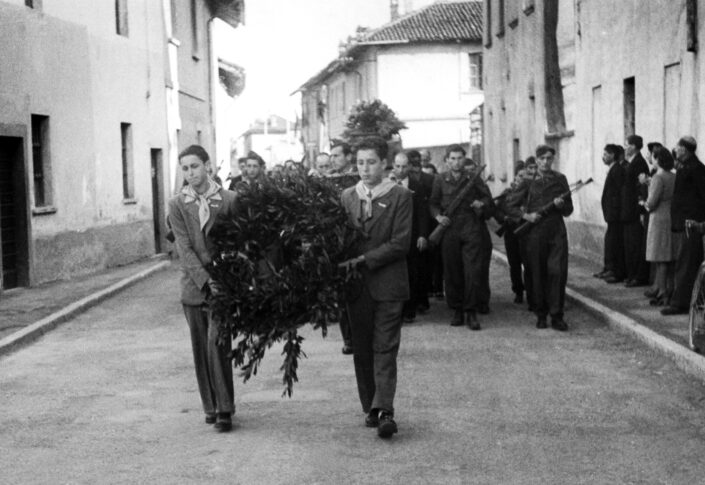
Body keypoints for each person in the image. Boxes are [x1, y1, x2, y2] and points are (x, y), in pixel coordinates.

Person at [339, 136, 412, 439]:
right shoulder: (347, 197)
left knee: (385, 347)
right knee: (362, 349)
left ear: (384, 163)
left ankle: (385, 409)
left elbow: (401, 242)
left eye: (371, 162)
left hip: (389, 284)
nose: (365, 169)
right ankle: (370, 405)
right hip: (357, 287)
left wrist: (363, 259)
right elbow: (340, 239)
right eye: (360, 163)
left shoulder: (401, 196)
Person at [168, 145, 237, 432]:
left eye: (194, 166)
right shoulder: (177, 205)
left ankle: (225, 408)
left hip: (223, 284)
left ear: (207, 166)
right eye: (184, 168)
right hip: (194, 286)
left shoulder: (230, 199)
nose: (190, 173)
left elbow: (237, 241)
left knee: (217, 344)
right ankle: (210, 406)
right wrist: (206, 280)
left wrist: (225, 276)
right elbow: (183, 248)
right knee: (200, 348)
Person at [507, 145, 573, 330]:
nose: (545, 162)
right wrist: (526, 216)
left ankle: (557, 315)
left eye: (549, 158)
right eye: (542, 158)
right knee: (537, 273)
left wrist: (561, 205)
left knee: (558, 273)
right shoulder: (528, 181)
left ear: (553, 160)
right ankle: (541, 314)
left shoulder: (560, 179)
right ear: (536, 160)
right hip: (534, 234)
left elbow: (569, 210)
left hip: (556, 232)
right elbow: (510, 205)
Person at [429, 144, 494, 330]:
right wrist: (438, 216)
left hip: (471, 227)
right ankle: (457, 309)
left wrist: (480, 203)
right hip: (449, 229)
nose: (457, 162)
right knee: (452, 271)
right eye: (453, 158)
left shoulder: (473, 178)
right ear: (447, 160)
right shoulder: (440, 180)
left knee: (472, 271)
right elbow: (433, 203)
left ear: (464, 159)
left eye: (460, 158)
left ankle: (471, 312)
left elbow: (488, 200)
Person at [661, 136, 705, 315]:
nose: (675, 150)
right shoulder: (685, 167)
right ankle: (684, 300)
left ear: (685, 150)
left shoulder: (696, 169)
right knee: (684, 263)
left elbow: (703, 197)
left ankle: (680, 303)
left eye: (677, 148)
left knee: (687, 264)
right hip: (683, 224)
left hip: (691, 224)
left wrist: (699, 222)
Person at [392, 151, 430, 323]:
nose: (401, 170)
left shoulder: (417, 185)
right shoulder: (388, 185)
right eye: (397, 166)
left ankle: (410, 310)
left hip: (412, 235)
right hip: (393, 236)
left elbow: (423, 213)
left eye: (404, 166)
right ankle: (396, 310)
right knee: (395, 273)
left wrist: (422, 235)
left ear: (409, 166)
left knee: (412, 273)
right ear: (393, 166)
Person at [642, 146, 675, 305]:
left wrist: (644, 204)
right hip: (670, 217)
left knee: (660, 257)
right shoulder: (673, 176)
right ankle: (666, 289)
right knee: (667, 256)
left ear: (657, 159)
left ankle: (662, 291)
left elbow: (652, 202)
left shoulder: (658, 177)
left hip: (658, 219)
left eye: (653, 158)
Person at [619, 135, 650, 287]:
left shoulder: (639, 163)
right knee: (630, 245)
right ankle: (632, 274)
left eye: (627, 145)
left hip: (634, 212)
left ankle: (639, 276)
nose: (625, 148)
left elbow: (641, 188)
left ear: (633, 147)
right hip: (628, 211)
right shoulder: (631, 162)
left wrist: (640, 211)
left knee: (636, 246)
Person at [495, 162, 527, 304]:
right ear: (515, 177)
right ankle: (518, 291)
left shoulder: (532, 192)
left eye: (526, 176)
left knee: (530, 263)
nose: (523, 179)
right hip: (511, 232)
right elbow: (496, 210)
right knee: (514, 264)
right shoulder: (508, 193)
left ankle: (532, 291)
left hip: (527, 231)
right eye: (521, 176)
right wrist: (504, 218)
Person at [596, 144, 626, 282]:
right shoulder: (613, 169)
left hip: (615, 214)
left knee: (616, 243)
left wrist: (615, 210)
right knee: (610, 242)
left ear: (612, 155)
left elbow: (620, 192)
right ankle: (610, 268)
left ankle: (616, 271)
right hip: (611, 214)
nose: (604, 157)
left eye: (606, 154)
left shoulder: (617, 169)